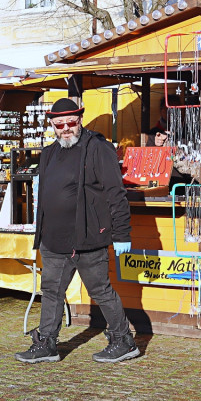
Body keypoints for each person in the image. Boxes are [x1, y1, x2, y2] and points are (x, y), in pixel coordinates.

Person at [17, 98, 141, 364]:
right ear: (52, 125)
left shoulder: (98, 148)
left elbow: (116, 193)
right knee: (51, 291)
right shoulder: (49, 152)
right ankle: (47, 344)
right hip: (54, 239)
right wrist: (41, 233)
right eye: (59, 124)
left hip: (88, 238)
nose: (66, 129)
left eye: (71, 123)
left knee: (100, 291)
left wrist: (122, 233)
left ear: (80, 120)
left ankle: (123, 341)